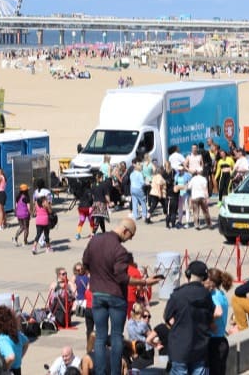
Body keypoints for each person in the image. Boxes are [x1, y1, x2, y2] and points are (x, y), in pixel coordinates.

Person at [81, 217, 142, 375]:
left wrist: (97, 276)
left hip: (97, 294)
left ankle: (101, 372)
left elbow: (85, 263)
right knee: (116, 336)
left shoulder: (95, 240)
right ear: (125, 231)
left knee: (100, 337)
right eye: (131, 236)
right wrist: (144, 282)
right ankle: (115, 372)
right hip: (116, 296)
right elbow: (122, 278)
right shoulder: (120, 250)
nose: (129, 239)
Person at [164, 260, 215, 375]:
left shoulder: (178, 294)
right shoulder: (206, 295)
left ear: (188, 274)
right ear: (204, 277)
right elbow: (210, 317)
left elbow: (167, 317)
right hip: (200, 347)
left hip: (180, 348)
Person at [206, 268, 233, 375]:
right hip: (222, 340)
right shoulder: (221, 294)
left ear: (211, 281)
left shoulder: (213, 295)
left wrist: (210, 321)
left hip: (214, 342)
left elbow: (218, 312)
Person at [0, 305, 29, 375]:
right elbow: (26, 342)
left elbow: (11, 357)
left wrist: (4, 368)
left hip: (9, 371)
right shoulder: (17, 334)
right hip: (17, 370)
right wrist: (20, 357)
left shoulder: (2, 340)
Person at [129, 158, 148, 223]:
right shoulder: (140, 174)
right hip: (138, 189)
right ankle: (144, 215)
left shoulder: (132, 174)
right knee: (143, 202)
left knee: (134, 202)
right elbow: (142, 182)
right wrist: (146, 183)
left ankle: (135, 215)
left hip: (132, 189)